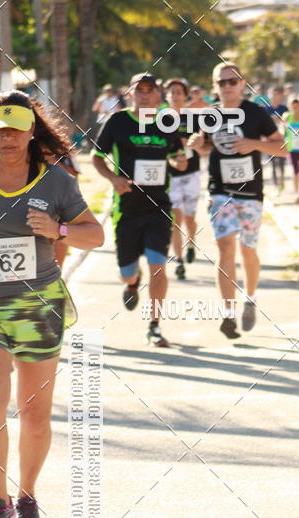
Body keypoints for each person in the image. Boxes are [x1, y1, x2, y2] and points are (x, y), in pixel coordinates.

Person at [0, 90, 104, 518]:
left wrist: (59, 229)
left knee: (35, 414)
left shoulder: (55, 181)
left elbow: (94, 235)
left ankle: (27, 496)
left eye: (15, 128)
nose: (6, 136)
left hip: (39, 308)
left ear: (30, 131)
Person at [92, 72, 189, 348]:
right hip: (127, 208)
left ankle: (154, 326)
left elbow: (177, 160)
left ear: (158, 94)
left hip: (159, 207)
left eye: (149, 90)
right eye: (139, 90)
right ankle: (133, 284)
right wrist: (114, 179)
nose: (144, 94)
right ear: (131, 93)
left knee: (159, 266)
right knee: (127, 271)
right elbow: (97, 158)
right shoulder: (118, 121)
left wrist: (182, 160)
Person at [202, 63, 287, 339]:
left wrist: (255, 144)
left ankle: (250, 298)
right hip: (220, 190)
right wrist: (196, 146)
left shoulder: (255, 112)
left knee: (248, 250)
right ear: (215, 86)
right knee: (225, 246)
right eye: (222, 82)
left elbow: (283, 148)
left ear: (242, 83)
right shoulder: (210, 114)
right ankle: (228, 314)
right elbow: (205, 146)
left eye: (232, 81)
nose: (227, 86)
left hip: (251, 192)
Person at [164, 77, 201, 279]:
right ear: (167, 96)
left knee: (190, 219)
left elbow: (204, 148)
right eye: (172, 92)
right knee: (175, 220)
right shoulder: (161, 120)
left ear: (185, 96)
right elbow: (159, 150)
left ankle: (191, 244)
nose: (176, 96)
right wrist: (173, 161)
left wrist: (197, 144)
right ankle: (178, 261)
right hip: (172, 177)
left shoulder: (194, 119)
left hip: (192, 173)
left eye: (179, 92)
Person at [268, 86, 288, 194]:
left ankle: (282, 179)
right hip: (269, 140)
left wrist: (280, 119)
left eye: (276, 94)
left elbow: (288, 122)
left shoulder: (284, 108)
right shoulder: (266, 109)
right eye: (272, 94)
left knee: (281, 161)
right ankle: (276, 184)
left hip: (282, 138)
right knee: (272, 162)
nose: (274, 97)